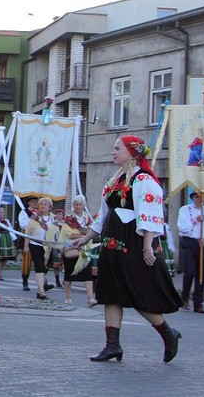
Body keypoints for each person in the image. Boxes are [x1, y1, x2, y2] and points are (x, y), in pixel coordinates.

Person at [73, 135, 183, 363]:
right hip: (112, 244)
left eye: (117, 148)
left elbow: (150, 214)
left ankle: (168, 334)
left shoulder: (143, 180)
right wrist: (85, 239)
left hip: (133, 244)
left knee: (138, 293)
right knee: (111, 293)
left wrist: (147, 247)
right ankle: (112, 345)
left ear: (131, 153)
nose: (113, 152)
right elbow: (103, 216)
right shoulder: (114, 181)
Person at [177, 191, 204, 314]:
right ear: (192, 198)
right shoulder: (185, 210)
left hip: (203, 244)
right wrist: (195, 220)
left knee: (201, 274)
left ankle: (198, 303)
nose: (199, 199)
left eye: (201, 197)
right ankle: (184, 297)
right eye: (196, 197)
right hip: (189, 242)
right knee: (190, 271)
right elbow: (182, 227)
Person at [59, 195, 95, 306]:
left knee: (88, 275)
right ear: (73, 205)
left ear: (84, 205)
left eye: (80, 204)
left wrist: (84, 238)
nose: (78, 206)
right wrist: (83, 236)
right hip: (72, 249)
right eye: (76, 204)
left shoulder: (88, 219)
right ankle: (68, 298)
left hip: (84, 249)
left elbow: (92, 231)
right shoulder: (69, 218)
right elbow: (68, 234)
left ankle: (90, 299)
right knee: (69, 275)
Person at [24, 197, 56, 300]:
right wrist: (26, 246)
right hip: (35, 245)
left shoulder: (53, 218)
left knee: (45, 267)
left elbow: (58, 232)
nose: (42, 206)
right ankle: (41, 291)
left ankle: (40, 289)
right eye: (41, 204)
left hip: (49, 246)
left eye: (45, 204)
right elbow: (27, 232)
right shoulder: (34, 217)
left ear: (50, 207)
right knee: (39, 267)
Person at [17, 195, 38, 291]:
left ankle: (44, 282)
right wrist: (32, 220)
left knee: (41, 260)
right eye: (33, 201)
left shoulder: (40, 212)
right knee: (27, 261)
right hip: (28, 239)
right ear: (29, 203)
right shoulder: (24, 212)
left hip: (38, 238)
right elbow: (23, 225)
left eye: (36, 201)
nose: (35, 203)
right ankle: (25, 281)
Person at [0, 207, 17, 281]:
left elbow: (10, 229)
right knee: (0, 258)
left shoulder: (6, 221)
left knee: (6, 257)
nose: (1, 214)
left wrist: (13, 238)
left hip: (6, 238)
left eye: (3, 212)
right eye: (0, 212)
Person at [50, 208, 65, 288]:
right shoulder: (53, 224)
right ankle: (57, 280)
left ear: (63, 216)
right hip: (56, 244)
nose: (58, 215)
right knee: (56, 264)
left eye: (60, 214)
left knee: (65, 263)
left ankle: (65, 280)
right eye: (57, 214)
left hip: (64, 245)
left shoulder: (66, 224)